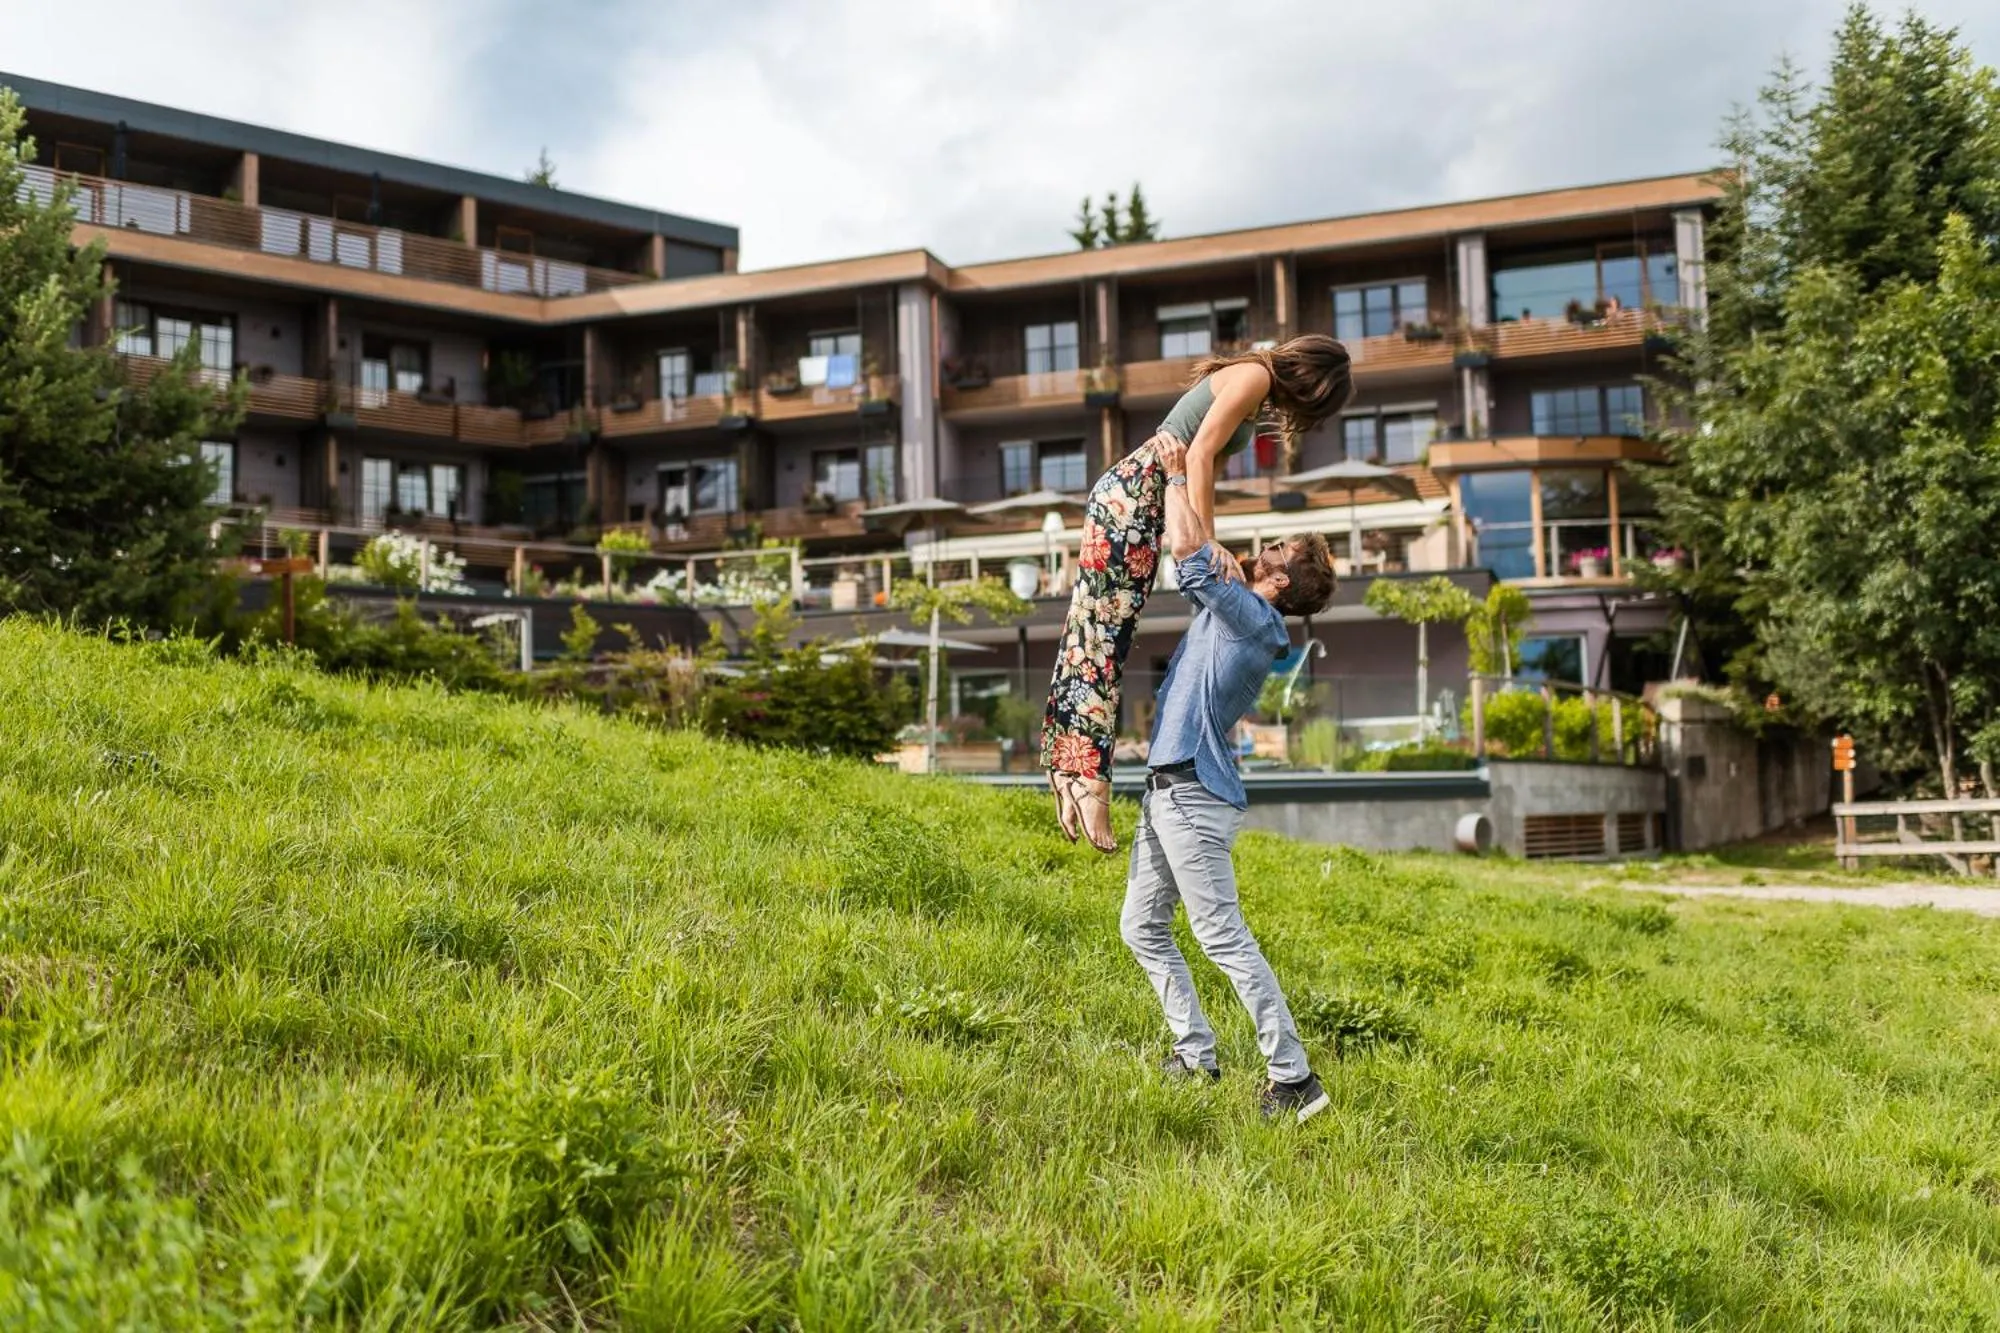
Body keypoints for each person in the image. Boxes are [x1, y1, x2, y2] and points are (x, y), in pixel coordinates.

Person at [1042, 334, 1353, 852]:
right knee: (1101, 637)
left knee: (1092, 631)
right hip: (1136, 498)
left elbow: (1205, 462)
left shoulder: (1255, 382)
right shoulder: (1256, 376)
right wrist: (1207, 545)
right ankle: (1087, 777)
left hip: (1141, 499)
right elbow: (1201, 455)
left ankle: (1070, 767)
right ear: (1313, 384)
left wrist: (1210, 538)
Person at [1120, 431, 1339, 1122]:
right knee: (1141, 925)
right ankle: (1195, 1054)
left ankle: (1295, 1078)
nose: (1261, 549)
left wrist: (1180, 475)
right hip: (1166, 791)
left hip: (1190, 793)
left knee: (1222, 937)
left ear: (1280, 579)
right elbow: (1200, 554)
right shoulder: (1238, 606)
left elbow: (1188, 556)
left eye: (1273, 551)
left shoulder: (1258, 619)